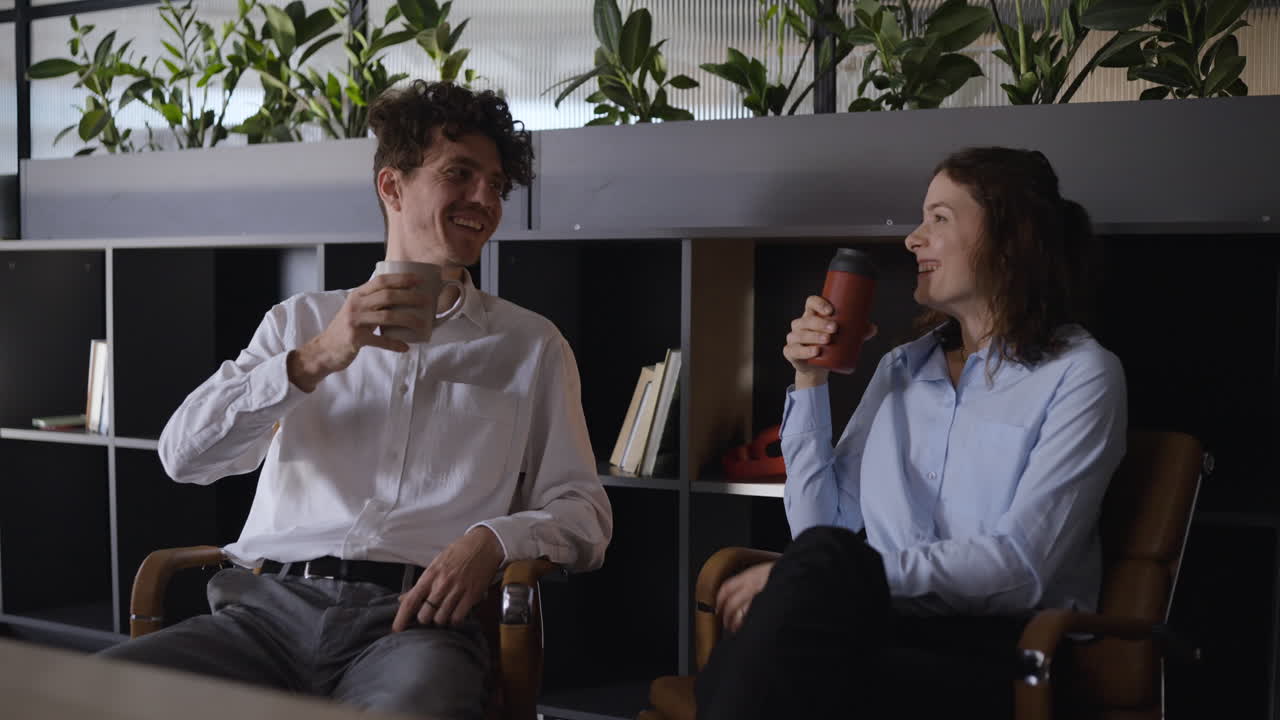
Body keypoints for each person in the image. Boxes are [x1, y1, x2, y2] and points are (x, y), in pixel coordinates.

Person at [103, 80, 613, 720]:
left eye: (497, 184)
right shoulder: (301, 322)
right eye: (461, 174)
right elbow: (184, 457)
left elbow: (584, 512)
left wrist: (495, 539)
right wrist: (316, 359)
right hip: (265, 615)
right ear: (392, 187)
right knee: (85, 692)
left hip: (415, 626)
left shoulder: (530, 345)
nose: (485, 199)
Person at [695, 147, 1126, 719]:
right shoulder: (903, 368)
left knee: (763, 663)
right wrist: (809, 379)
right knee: (770, 649)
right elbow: (821, 528)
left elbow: (1022, 566)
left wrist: (847, 577)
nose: (912, 239)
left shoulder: (1080, 373)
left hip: (997, 646)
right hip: (878, 626)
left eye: (939, 219)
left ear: (1009, 237)